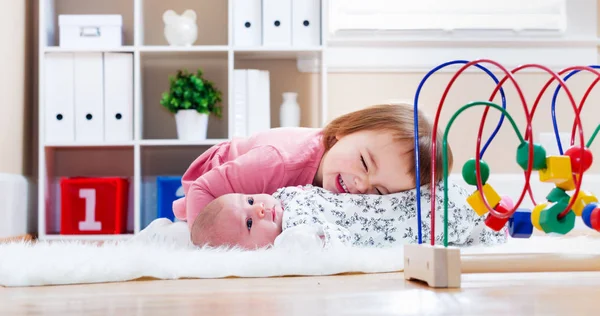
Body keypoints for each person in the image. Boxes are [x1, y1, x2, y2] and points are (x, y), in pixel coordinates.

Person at [173, 103, 453, 229]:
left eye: (379, 192)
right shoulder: (279, 161)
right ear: (344, 130)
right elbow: (203, 187)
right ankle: (186, 211)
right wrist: (203, 239)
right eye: (364, 163)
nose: (361, 186)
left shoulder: (340, 172)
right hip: (219, 178)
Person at [190, 184, 509, 250]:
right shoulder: (292, 237)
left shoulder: (284, 195)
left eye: (249, 200)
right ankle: (491, 220)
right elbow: (334, 241)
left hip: (388, 202)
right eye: (249, 223)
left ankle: (478, 201)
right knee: (442, 226)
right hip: (397, 228)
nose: (258, 208)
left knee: (434, 193)